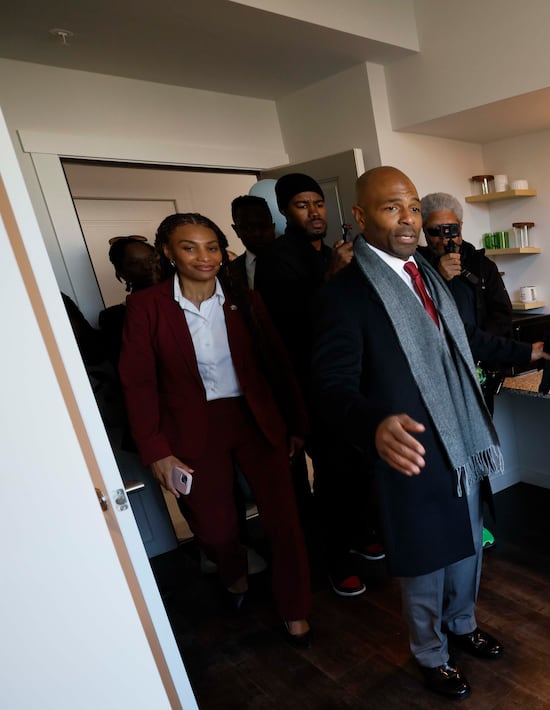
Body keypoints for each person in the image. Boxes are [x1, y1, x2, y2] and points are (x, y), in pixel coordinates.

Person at [311, 166, 550, 700]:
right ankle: (430, 652)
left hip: (459, 441)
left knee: (468, 545)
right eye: (391, 207)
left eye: (413, 207)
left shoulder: (430, 276)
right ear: (359, 216)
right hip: (409, 449)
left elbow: (465, 342)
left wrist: (528, 352)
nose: (408, 219)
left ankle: (462, 626)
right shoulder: (346, 295)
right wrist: (373, 424)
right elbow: (330, 385)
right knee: (424, 558)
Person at [118, 212, 314, 646]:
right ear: (168, 252)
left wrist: (296, 424)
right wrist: (156, 450)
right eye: (189, 247)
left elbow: (277, 366)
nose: (203, 257)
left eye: (211, 246)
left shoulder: (245, 300)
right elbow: (138, 381)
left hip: (255, 418)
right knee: (215, 527)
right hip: (191, 426)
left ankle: (296, 608)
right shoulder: (147, 306)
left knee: (285, 520)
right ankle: (234, 574)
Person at [253, 173, 373, 597]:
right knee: (333, 474)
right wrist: (331, 277)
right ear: (285, 210)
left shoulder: (334, 251)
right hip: (310, 390)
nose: (314, 212)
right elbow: (288, 328)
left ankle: (361, 535)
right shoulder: (275, 259)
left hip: (350, 382)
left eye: (318, 203)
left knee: (360, 465)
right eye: (302, 205)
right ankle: (336, 561)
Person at [418, 191, 531, 551]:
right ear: (424, 232)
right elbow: (416, 321)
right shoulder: (418, 268)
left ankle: (477, 519)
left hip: (478, 374)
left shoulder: (482, 266)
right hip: (435, 378)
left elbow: (502, 312)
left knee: (478, 448)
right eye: (436, 231)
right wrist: (440, 280)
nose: (445, 238)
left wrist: (483, 353)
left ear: (462, 227)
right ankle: (449, 522)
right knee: (443, 453)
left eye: (451, 229)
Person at [99, 235, 163, 365]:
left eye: (151, 260)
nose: (147, 267)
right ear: (121, 272)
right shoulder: (114, 317)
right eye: (134, 263)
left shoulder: (185, 301)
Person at [226, 194, 276, 290]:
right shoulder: (230, 271)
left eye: (262, 226)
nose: (257, 234)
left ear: (273, 227)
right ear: (236, 230)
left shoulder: (296, 260)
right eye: (248, 228)